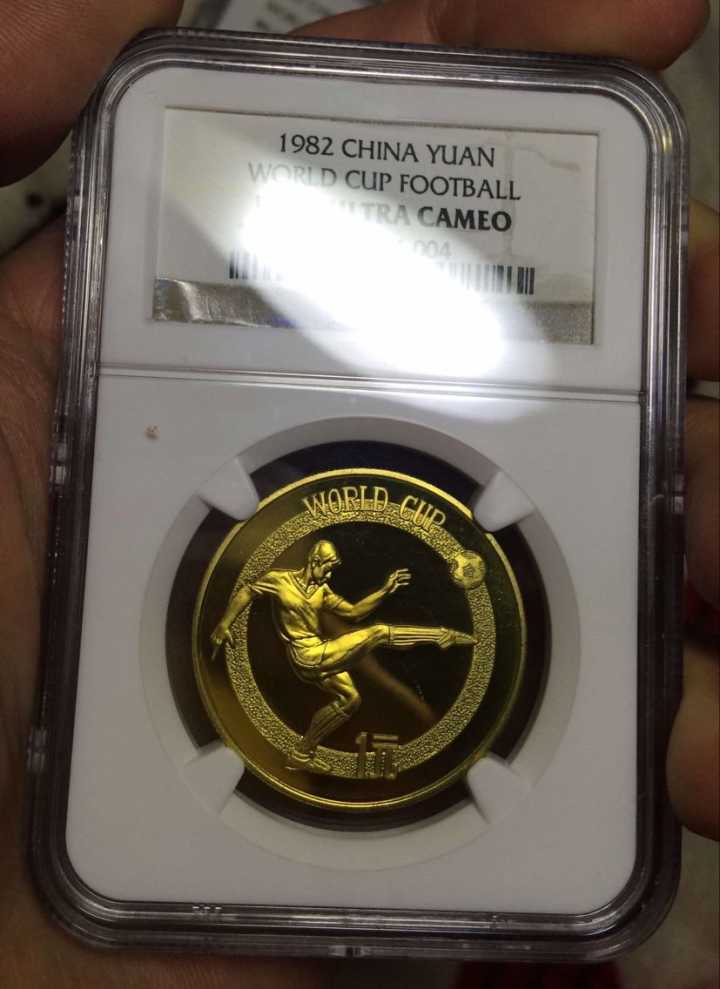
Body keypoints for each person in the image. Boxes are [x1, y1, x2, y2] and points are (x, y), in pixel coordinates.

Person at [0, 2, 716, 987]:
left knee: (376, 650)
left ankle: (395, 680)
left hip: (307, 646)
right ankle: (428, 656)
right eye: (328, 552)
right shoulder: (281, 577)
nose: (328, 553)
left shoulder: (303, 573)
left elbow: (346, 602)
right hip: (281, 650)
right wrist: (239, 633)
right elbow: (273, 606)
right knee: (376, 647)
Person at [211, 540, 474, 772]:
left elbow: (353, 612)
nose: (329, 575)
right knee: (378, 633)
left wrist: (385, 590)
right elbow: (247, 591)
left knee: (350, 699)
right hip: (305, 654)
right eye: (327, 568)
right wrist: (224, 624)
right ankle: (440, 636)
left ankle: (300, 755)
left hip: (319, 652)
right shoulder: (279, 580)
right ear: (315, 562)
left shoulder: (322, 591)